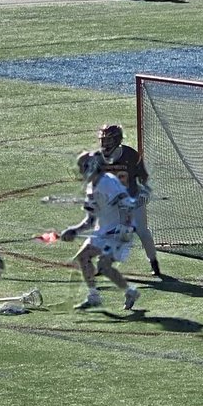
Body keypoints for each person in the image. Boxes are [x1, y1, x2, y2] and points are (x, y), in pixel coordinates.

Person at [60, 151, 140, 311]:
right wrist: (74, 230)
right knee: (83, 257)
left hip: (118, 232)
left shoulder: (107, 183)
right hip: (103, 231)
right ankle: (95, 296)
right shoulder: (91, 187)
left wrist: (125, 228)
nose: (80, 171)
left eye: (82, 167)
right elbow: (90, 220)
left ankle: (128, 292)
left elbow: (126, 205)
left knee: (103, 266)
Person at [95, 124, 161, 276]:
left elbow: (144, 178)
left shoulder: (130, 155)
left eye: (108, 140)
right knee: (103, 232)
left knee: (143, 232)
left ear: (117, 140)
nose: (105, 144)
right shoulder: (98, 159)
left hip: (132, 199)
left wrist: (145, 192)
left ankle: (154, 262)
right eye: (103, 140)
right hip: (112, 203)